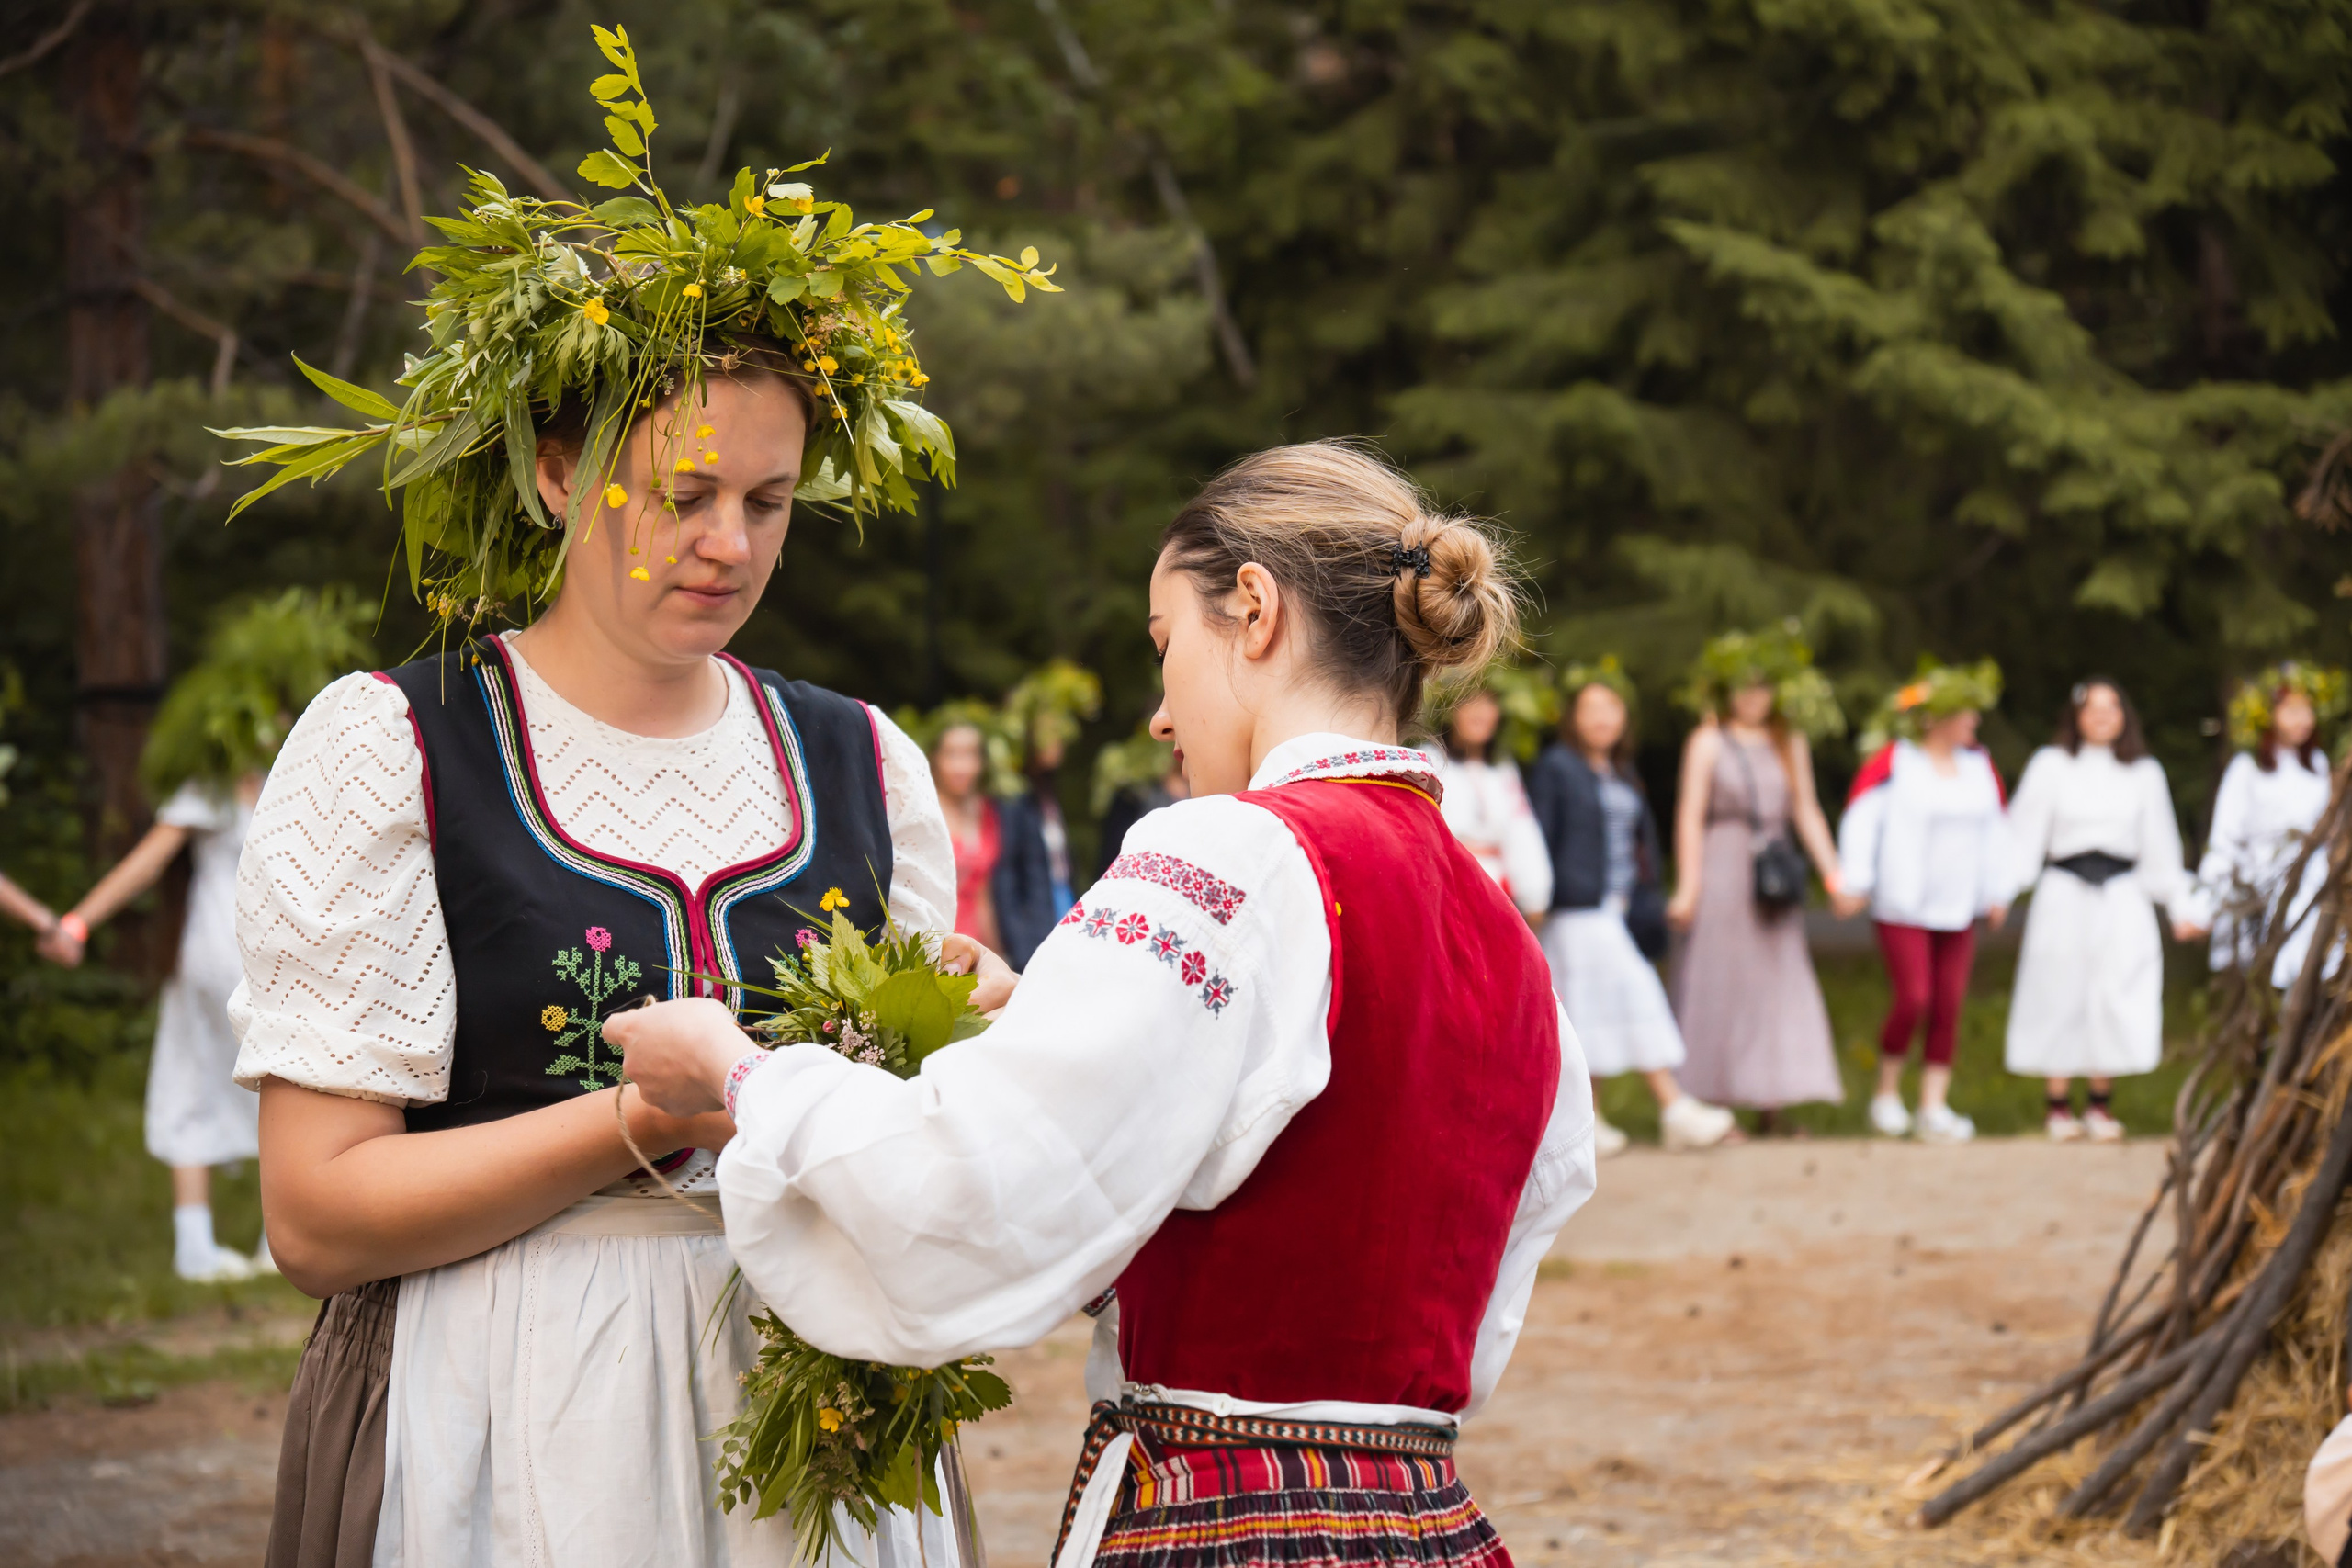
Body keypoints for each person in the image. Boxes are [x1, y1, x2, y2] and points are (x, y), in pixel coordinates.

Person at [207, 66, 1011, 1563]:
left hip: (814, 1430)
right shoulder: (400, 745)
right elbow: (317, 1215)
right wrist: (641, 1121)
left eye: (767, 501)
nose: (728, 545)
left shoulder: (861, 760)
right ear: (557, 469)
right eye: (679, 492)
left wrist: (967, 1052)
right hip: (519, 1416)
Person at [611, 439, 1594, 1568]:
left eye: (1166, 645)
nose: (1160, 717)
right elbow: (1355, 1192)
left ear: (1256, 611)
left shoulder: (1230, 853)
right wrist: (1041, 1015)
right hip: (1423, 1522)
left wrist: (737, 1070)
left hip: (1234, 1523)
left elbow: (970, 1186)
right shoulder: (1503, 937)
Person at [47, 588, 370, 1281]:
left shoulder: (220, 784)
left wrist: (79, 920)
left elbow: (146, 864)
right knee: (286, 1091)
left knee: (191, 1078)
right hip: (273, 960)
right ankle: (272, 1240)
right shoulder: (300, 785)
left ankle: (196, 1244)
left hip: (211, 958)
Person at [1528, 663, 1735, 1153]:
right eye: (1591, 709)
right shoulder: (1556, 767)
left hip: (1616, 910)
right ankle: (1674, 1107)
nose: (1602, 718)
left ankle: (1587, 1123)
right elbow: (1539, 836)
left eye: (1611, 708)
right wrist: (1537, 897)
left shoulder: (1623, 772)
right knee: (1637, 992)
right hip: (1576, 911)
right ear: (1572, 718)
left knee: (1587, 1013)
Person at [1668, 626, 1849, 1129]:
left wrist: (1834, 875)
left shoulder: (1789, 740)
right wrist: (1688, 886)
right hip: (1724, 867)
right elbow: (1690, 815)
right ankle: (1716, 1100)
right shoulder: (1707, 740)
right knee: (1722, 978)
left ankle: (1773, 1101)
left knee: (1776, 981)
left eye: (1762, 686)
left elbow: (1806, 809)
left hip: (1774, 868)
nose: (1753, 697)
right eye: (1743, 686)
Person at [2003, 679, 2189, 1141]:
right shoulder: (2051, 765)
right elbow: (2022, 835)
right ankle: (2057, 1104)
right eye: (2093, 708)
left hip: (2122, 892)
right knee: (2058, 987)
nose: (2103, 716)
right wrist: (2002, 890)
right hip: (2064, 890)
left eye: (2112, 707)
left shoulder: (2144, 772)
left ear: (2125, 716)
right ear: (2076, 716)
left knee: (2115, 989)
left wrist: (2179, 904)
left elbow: (2160, 844)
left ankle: (2100, 1103)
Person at [1838, 659, 2011, 1144]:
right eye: (1964, 712)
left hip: (1959, 904)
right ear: (1935, 718)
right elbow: (1861, 819)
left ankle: (1933, 1105)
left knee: (1948, 1003)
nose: (1974, 721)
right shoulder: (1896, 761)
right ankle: (1886, 1094)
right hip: (1904, 902)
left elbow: (1997, 829)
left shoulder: (1979, 767)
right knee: (1915, 997)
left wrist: (1998, 890)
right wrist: (1855, 880)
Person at [2191, 662, 2342, 990]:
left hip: (2314, 881)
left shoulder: (2317, 763)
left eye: (2308, 710)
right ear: (2268, 714)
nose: (2303, 720)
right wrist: (2204, 906)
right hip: (2266, 883)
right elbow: (2225, 838)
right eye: (2292, 710)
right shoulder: (2248, 768)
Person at [992, 660, 1101, 969]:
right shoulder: (1013, 798)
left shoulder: (1047, 793)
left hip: (1061, 906)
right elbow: (1006, 878)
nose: (1059, 742)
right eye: (1050, 732)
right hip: (1035, 928)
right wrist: (1022, 948)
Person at [1430, 679, 1552, 917]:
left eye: (1488, 703)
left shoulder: (1502, 770)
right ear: (1449, 710)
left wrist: (1535, 894)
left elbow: (1521, 831)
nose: (1480, 713)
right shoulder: (1430, 761)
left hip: (1496, 894)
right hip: (1447, 890)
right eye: (1469, 702)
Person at [930, 716, 1004, 951]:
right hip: (932, 944)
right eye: (952, 754)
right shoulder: (925, 812)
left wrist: (996, 955)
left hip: (974, 945)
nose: (961, 767)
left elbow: (983, 897)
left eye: (970, 754)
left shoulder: (986, 812)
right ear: (935, 759)